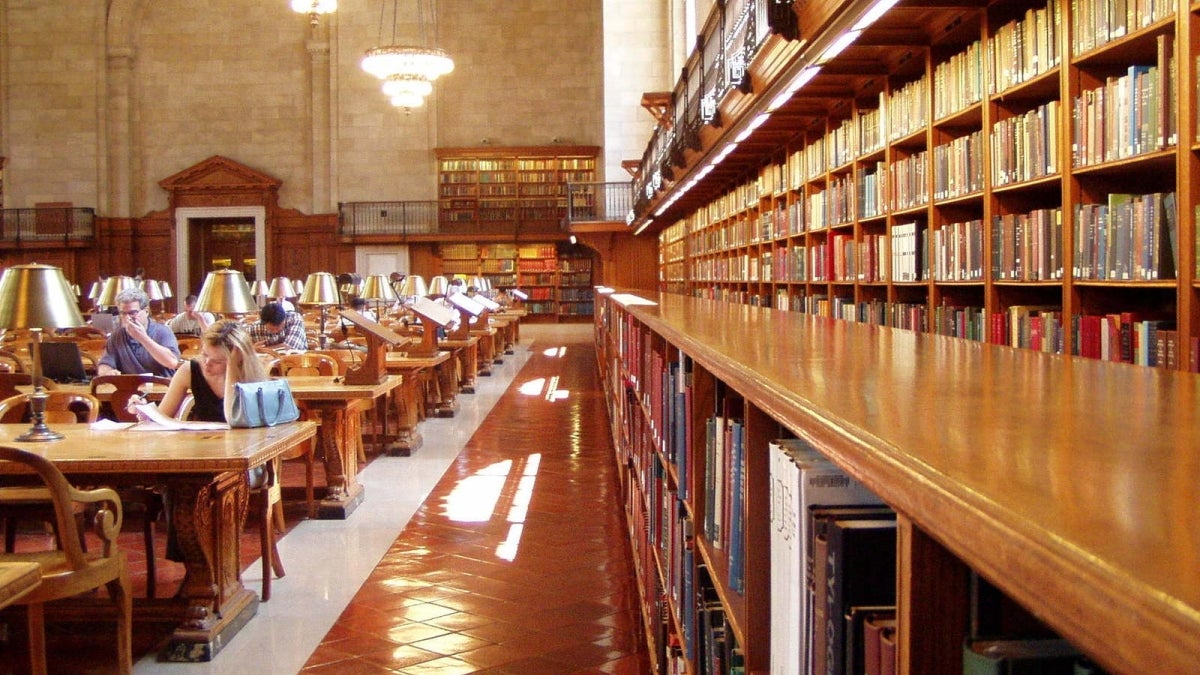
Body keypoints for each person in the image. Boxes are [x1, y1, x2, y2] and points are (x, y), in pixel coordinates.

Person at [127, 320, 273, 564]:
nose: (207, 364)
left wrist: (232, 373)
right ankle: (195, 566)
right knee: (179, 483)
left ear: (237, 359)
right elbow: (162, 417)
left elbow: (231, 417)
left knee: (206, 484)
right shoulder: (189, 370)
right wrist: (143, 411)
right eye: (204, 355)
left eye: (217, 361)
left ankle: (213, 565)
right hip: (201, 454)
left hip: (246, 460)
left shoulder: (252, 375)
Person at [96, 287, 182, 377]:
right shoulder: (117, 335)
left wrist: (143, 338)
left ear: (146, 311)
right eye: (123, 313)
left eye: (133, 313)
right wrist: (107, 372)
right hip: (130, 388)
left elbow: (172, 362)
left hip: (161, 388)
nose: (127, 318)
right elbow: (104, 364)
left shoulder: (163, 332)